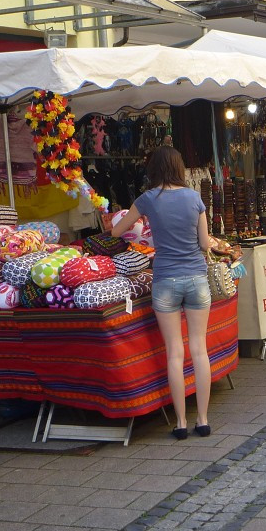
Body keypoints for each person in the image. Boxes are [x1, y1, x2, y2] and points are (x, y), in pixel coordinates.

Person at [111, 146, 218, 440]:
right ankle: (204, 420)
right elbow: (205, 243)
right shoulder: (194, 198)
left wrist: (145, 225)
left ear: (154, 169)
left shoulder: (147, 199)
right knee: (199, 349)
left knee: (174, 352)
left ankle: (181, 423)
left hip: (165, 280)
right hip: (196, 277)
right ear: (179, 167)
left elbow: (117, 232)